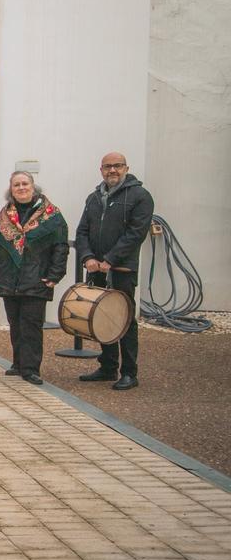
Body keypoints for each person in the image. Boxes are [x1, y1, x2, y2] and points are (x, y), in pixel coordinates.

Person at [75, 153, 155, 390]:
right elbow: (82, 232)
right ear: (101, 170)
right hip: (96, 269)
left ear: (126, 168)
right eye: (108, 166)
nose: (112, 170)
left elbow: (136, 233)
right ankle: (108, 367)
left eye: (117, 166)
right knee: (101, 317)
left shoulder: (140, 196)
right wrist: (88, 257)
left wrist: (110, 259)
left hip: (122, 269)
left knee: (125, 318)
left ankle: (129, 372)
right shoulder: (94, 197)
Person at [0, 171, 69, 386]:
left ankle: (31, 368)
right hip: (9, 279)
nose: (21, 188)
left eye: (25, 184)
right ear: (11, 189)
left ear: (33, 187)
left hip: (36, 278)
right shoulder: (5, 215)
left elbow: (60, 247)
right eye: (16, 185)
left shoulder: (52, 215)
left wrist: (54, 275)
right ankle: (18, 363)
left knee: (31, 325)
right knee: (15, 324)